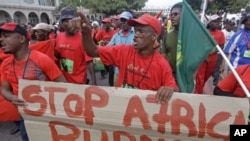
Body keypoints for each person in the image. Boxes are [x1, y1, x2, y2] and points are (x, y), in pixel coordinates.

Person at [74, 11, 179, 103]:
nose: (136, 35)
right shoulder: (123, 51)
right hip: (122, 110)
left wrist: (170, 90)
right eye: (136, 30)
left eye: (141, 31)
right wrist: (86, 33)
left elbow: (174, 89)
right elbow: (93, 51)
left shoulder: (162, 64)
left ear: (154, 36)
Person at [0, 22, 66, 141]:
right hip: (24, 115)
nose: (1, 40)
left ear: (21, 39)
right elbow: (4, 89)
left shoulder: (41, 59)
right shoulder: (5, 64)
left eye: (6, 36)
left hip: (45, 115)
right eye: (1, 36)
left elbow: (64, 85)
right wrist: (11, 97)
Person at [55, 7, 96, 85]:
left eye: (73, 21)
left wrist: (94, 81)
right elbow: (57, 56)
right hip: (63, 81)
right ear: (62, 24)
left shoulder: (83, 38)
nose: (70, 25)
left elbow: (89, 61)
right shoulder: (59, 37)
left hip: (79, 82)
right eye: (67, 21)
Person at [195, 14, 225, 93]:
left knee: (206, 77)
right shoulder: (204, 32)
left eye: (218, 22)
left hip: (213, 59)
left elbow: (221, 47)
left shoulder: (221, 34)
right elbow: (198, 45)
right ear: (210, 22)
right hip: (203, 58)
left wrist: (222, 63)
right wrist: (204, 55)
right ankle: (198, 94)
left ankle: (200, 89)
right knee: (200, 78)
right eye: (215, 21)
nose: (216, 23)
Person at [108, 11, 135, 86]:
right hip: (118, 72)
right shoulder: (116, 35)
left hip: (133, 72)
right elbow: (108, 49)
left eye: (125, 20)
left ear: (131, 21)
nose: (123, 22)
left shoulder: (137, 33)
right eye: (121, 20)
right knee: (117, 94)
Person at [161, 2, 182, 80]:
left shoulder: (191, 36)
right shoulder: (167, 35)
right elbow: (163, 54)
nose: (172, 17)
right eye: (171, 15)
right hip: (170, 77)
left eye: (176, 14)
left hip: (186, 78)